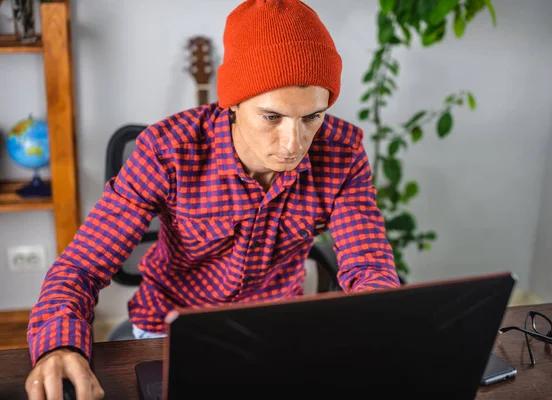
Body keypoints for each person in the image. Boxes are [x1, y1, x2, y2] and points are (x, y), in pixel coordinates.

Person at [24, 0, 401, 398]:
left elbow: (369, 261)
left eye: (312, 117)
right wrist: (59, 344)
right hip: (169, 329)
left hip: (276, 331)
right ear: (233, 103)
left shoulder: (342, 151)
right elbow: (83, 265)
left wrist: (381, 329)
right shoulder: (166, 150)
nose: (294, 144)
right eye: (272, 117)